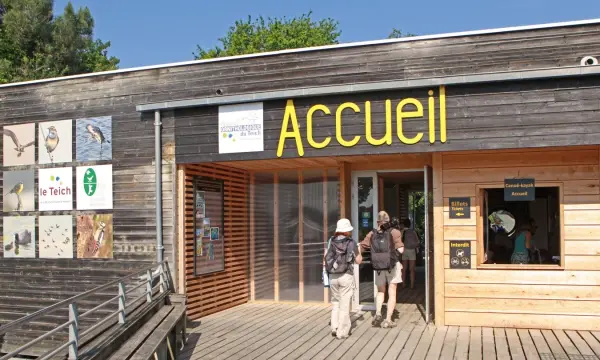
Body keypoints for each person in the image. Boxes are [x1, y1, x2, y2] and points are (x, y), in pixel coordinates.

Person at [357, 211, 404, 329]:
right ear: (388, 221)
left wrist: (358, 256)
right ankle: (388, 319)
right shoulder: (395, 232)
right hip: (392, 265)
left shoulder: (372, 234)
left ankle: (378, 313)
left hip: (378, 266)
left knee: (380, 291)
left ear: (377, 221)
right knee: (392, 291)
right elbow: (401, 250)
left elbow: (361, 246)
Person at [324, 218, 357, 340]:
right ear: (347, 230)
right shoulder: (351, 242)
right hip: (345, 275)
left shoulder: (331, 241)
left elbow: (326, 257)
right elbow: (358, 260)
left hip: (332, 275)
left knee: (335, 302)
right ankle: (342, 332)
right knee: (344, 304)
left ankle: (334, 327)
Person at [400, 218, 419, 289]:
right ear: (410, 224)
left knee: (404, 269)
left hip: (404, 250)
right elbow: (417, 242)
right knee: (412, 269)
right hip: (412, 251)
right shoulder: (413, 232)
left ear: (403, 224)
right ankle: (412, 285)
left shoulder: (402, 231)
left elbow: (399, 242)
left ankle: (403, 283)